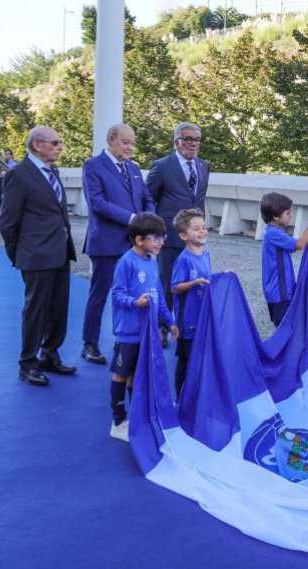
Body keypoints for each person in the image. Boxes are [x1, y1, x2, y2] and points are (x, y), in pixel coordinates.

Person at [0, 126, 78, 387]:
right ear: (37, 145)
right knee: (36, 310)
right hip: (36, 254)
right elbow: (8, 221)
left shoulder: (52, 171)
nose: (59, 146)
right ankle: (28, 363)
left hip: (60, 251)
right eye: (55, 142)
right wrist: (19, 253)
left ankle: (50, 354)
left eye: (59, 142)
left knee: (59, 308)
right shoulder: (19, 174)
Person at [80, 123, 156, 365]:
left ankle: (128, 339)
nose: (130, 147)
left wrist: (148, 218)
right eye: (126, 142)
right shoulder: (93, 166)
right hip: (106, 243)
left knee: (135, 294)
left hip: (134, 245)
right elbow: (98, 203)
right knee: (100, 294)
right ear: (111, 139)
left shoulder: (133, 168)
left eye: (132, 142)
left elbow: (146, 197)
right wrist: (134, 219)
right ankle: (89, 343)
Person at [108, 212, 178, 442]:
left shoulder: (152, 264)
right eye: (156, 238)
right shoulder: (126, 262)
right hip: (128, 332)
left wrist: (170, 321)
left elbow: (157, 296)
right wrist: (135, 302)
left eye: (163, 237)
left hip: (146, 334)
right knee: (121, 374)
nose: (161, 242)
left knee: (136, 375)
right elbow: (117, 294)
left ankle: (135, 416)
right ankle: (118, 421)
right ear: (139, 239)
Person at [146, 122, 208, 309]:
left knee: (194, 282)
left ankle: (187, 327)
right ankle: (162, 329)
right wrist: (155, 231)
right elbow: (148, 199)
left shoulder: (204, 166)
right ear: (176, 142)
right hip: (170, 236)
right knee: (168, 284)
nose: (193, 143)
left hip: (195, 238)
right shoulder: (162, 166)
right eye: (188, 139)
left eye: (196, 139)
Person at [259, 191, 308, 327]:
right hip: (281, 292)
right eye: (288, 213)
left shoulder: (271, 231)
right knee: (285, 327)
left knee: (283, 326)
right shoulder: (273, 234)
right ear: (276, 216)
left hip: (277, 291)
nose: (291, 216)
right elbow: (300, 245)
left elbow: (294, 246)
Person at [169, 208, 211, 397]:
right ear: (184, 235)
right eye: (196, 229)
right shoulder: (183, 260)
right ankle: (180, 395)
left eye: (203, 227)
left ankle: (198, 395)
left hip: (203, 317)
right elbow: (175, 287)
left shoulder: (206, 255)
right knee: (186, 359)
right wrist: (194, 283)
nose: (202, 231)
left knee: (202, 357)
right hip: (187, 321)